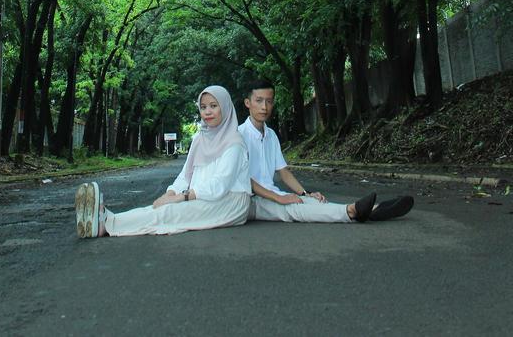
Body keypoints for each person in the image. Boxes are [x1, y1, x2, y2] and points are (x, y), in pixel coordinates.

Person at [75, 85, 251, 238]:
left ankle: (106, 224)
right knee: (160, 208)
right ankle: (107, 218)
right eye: (203, 107)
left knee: (171, 212)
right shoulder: (200, 138)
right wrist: (171, 193)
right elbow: (186, 174)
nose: (207, 112)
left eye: (214, 106)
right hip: (202, 198)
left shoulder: (234, 143)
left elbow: (221, 184)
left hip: (230, 203)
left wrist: (183, 197)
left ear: (226, 108)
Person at [238, 78, 414, 224]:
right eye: (259, 101)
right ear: (248, 103)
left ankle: (373, 210)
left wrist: (305, 193)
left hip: (272, 194)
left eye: (269, 101)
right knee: (293, 210)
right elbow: (246, 179)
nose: (264, 107)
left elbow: (283, 172)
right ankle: (351, 211)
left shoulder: (271, 135)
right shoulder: (238, 136)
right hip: (250, 200)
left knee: (310, 201)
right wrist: (279, 198)